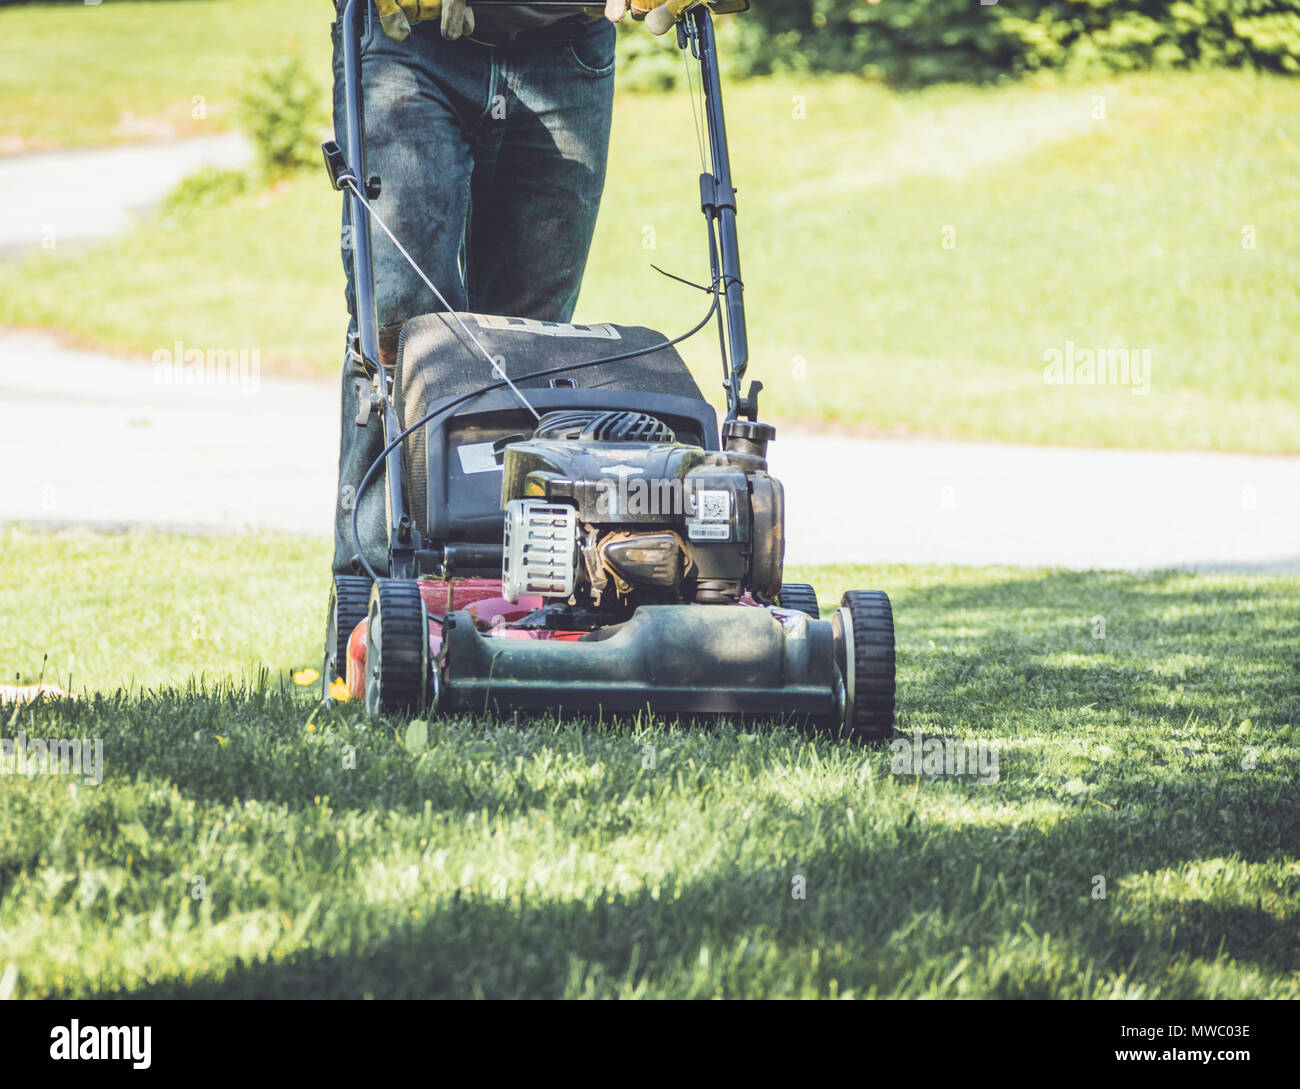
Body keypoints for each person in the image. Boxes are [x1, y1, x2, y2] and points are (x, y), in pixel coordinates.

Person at [329, 0, 634, 577]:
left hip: (568, 45)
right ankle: (372, 599)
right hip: (409, 43)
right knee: (397, 328)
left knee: (531, 343)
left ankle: (512, 598)